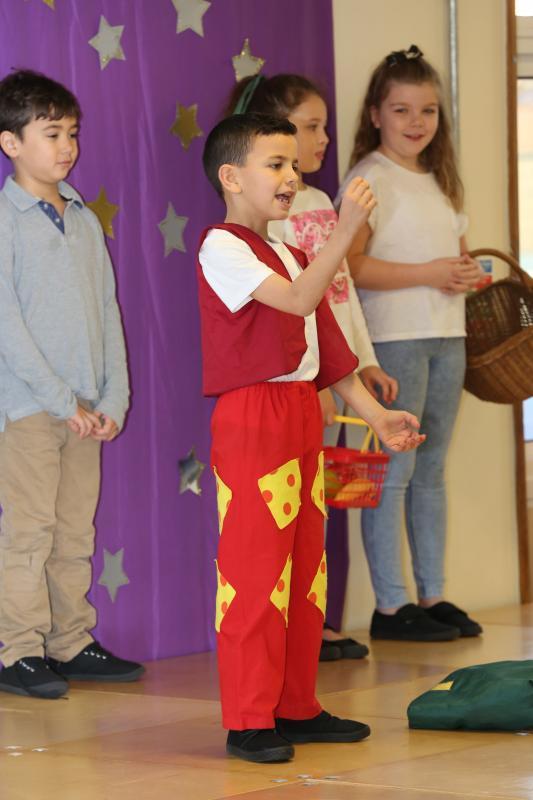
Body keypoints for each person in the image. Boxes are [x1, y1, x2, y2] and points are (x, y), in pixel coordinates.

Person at [198, 111, 425, 763]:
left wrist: (376, 416)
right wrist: (345, 232)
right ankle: (249, 718)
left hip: (300, 411)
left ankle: (294, 704)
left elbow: (327, 354)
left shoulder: (294, 253)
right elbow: (298, 301)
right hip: (253, 415)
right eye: (275, 164)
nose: (291, 177)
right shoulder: (221, 247)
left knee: (304, 570)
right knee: (255, 571)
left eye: (293, 165)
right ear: (231, 177)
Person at [225, 73, 399, 663]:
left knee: (310, 531)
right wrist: (310, 380)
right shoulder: (245, 231)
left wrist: (365, 373)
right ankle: (271, 670)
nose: (320, 141)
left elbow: (335, 304)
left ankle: (306, 651)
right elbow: (295, 303)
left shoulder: (315, 212)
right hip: (281, 395)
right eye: (309, 128)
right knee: (270, 538)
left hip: (317, 381)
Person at [0, 69, 144, 700]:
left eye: (73, 133)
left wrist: (113, 398)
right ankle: (19, 650)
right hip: (30, 408)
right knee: (29, 531)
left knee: (74, 532)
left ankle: (70, 641)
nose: (67, 147)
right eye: (52, 133)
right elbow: (7, 324)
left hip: (86, 408)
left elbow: (107, 310)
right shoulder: (6, 221)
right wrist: (61, 401)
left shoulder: (83, 219)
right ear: (11, 143)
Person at [336, 45, 484, 642]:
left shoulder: (440, 180)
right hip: (394, 339)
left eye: (428, 110)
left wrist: (464, 274)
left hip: (448, 334)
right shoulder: (369, 178)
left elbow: (451, 259)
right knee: (393, 470)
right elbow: (349, 265)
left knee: (431, 468)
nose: (417, 122)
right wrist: (429, 273)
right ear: (376, 114)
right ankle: (390, 606)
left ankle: (432, 594)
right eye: (402, 110)